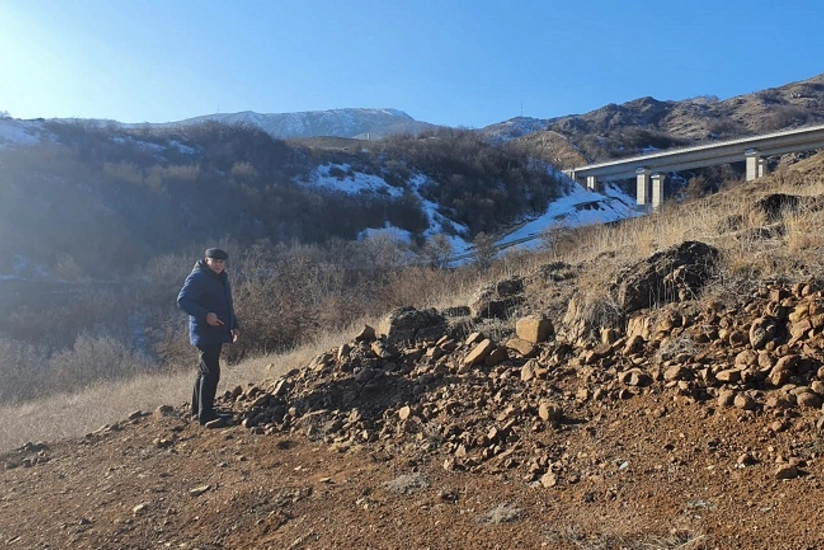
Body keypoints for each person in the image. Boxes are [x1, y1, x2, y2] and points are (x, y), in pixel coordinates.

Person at [177, 248, 239, 426]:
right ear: (207, 260)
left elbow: (228, 303)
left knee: (204, 371)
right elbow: (183, 301)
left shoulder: (221, 277)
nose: (218, 264)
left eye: (221, 262)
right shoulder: (198, 277)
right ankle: (207, 416)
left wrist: (234, 324)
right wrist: (206, 315)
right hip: (205, 332)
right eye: (215, 261)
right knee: (211, 372)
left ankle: (199, 410)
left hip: (217, 331)